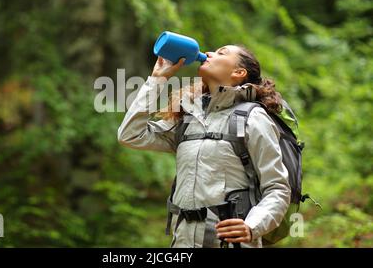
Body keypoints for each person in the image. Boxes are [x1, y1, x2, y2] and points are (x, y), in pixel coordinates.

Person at [117, 45, 291, 248]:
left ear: (239, 72)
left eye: (222, 52)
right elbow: (130, 135)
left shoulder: (252, 118)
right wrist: (157, 79)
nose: (209, 54)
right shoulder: (190, 117)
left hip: (230, 242)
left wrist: (252, 226)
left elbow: (277, 188)